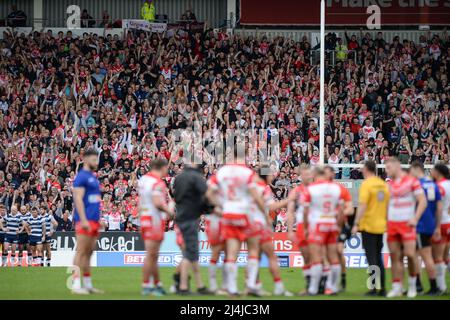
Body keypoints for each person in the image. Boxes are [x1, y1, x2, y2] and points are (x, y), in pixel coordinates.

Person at [206, 159, 266, 296]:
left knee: (230, 253)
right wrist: (266, 216)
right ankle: (251, 285)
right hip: (245, 214)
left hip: (227, 214)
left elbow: (208, 194)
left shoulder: (221, 172)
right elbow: (256, 196)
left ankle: (231, 288)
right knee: (253, 250)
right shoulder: (248, 173)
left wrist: (223, 206)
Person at [302, 166, 353, 295]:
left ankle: (313, 289)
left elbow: (306, 211)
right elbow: (342, 210)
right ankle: (332, 287)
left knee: (316, 257)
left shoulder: (311, 189)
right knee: (334, 257)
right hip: (332, 224)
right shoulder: (337, 188)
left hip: (318, 224)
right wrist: (338, 225)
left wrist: (306, 228)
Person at [384, 157, 427, 298]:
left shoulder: (411, 181)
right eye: (386, 168)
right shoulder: (388, 184)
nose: (386, 170)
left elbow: (422, 201)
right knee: (395, 256)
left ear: (397, 166)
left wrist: (415, 218)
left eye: (389, 168)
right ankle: (397, 286)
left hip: (407, 224)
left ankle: (413, 285)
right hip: (392, 224)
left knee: (410, 254)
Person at [352, 160, 389, 296]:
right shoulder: (382, 184)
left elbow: (362, 205)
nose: (361, 170)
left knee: (372, 258)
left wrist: (356, 223)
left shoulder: (366, 184)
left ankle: (373, 288)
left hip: (368, 225)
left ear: (367, 169)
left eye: (362, 168)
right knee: (378, 257)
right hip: (380, 225)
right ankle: (383, 289)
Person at [172, 163, 211, 295]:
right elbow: (207, 194)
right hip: (190, 218)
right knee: (189, 253)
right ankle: (183, 286)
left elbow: (175, 196)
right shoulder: (196, 177)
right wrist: (210, 208)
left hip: (180, 217)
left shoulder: (179, 178)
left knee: (192, 254)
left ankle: (199, 285)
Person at [138, 158, 174, 296]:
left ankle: (157, 284)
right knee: (152, 254)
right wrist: (170, 211)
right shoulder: (158, 182)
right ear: (162, 167)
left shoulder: (143, 180)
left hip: (145, 218)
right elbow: (158, 202)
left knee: (153, 255)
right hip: (154, 220)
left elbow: (141, 202)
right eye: (166, 168)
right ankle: (146, 285)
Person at [71, 149, 103, 295]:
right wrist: (83, 220)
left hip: (93, 221)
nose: (96, 162)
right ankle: (76, 285)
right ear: (85, 159)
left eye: (97, 159)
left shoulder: (92, 176)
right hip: (84, 221)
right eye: (94, 159)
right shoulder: (81, 177)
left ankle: (88, 285)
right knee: (81, 251)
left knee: (89, 253)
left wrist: (98, 219)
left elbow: (94, 200)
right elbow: (78, 198)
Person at [254, 171, 291, 296]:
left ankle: (254, 285)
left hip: (251, 225)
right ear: (266, 176)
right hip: (260, 225)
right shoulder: (265, 188)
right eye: (270, 174)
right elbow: (272, 206)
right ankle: (278, 286)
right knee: (271, 256)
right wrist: (289, 199)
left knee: (254, 257)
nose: (273, 176)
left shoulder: (252, 186)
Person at [410, 161, 443, 295]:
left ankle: (430, 286)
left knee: (422, 256)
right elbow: (439, 207)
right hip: (430, 223)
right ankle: (420, 285)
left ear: (416, 169)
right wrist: (437, 226)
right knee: (419, 255)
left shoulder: (418, 185)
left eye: (411, 170)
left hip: (420, 224)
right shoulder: (433, 185)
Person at [287, 165, 314, 294]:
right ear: (301, 176)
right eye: (304, 174)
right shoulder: (296, 191)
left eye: (309, 174)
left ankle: (321, 284)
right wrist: (290, 230)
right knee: (306, 256)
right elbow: (290, 211)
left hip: (316, 226)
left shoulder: (317, 189)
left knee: (317, 255)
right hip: (302, 226)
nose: (307, 176)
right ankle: (309, 286)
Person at [431, 163, 450, 294]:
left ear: (438, 172)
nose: (431, 172)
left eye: (432, 170)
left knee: (437, 257)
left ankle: (441, 287)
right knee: (445, 257)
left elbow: (436, 207)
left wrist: (436, 226)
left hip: (440, 223)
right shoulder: (448, 184)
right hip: (448, 222)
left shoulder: (439, 187)